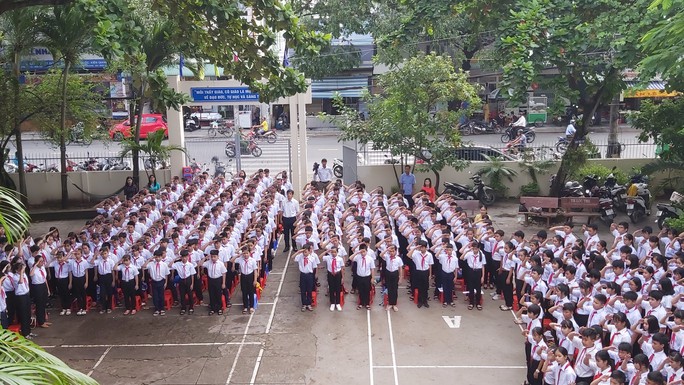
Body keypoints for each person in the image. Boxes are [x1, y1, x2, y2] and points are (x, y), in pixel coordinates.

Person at [233, 246, 259, 314]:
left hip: (250, 276)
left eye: (247, 253)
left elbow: (255, 270)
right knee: (244, 292)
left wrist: (255, 280)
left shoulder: (252, 260)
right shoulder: (240, 259)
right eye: (244, 253)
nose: (245, 255)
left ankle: (251, 306)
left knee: (251, 292)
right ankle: (245, 306)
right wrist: (238, 255)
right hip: (243, 276)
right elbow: (231, 260)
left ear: (249, 253)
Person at [293, 243, 319, 312]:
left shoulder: (312, 258)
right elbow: (293, 257)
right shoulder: (300, 257)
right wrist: (298, 252)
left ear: (309, 251)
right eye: (303, 252)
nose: (304, 253)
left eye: (306, 252)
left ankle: (309, 304)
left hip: (309, 275)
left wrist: (314, 275)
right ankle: (304, 304)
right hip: (303, 275)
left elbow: (314, 267)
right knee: (303, 290)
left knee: (309, 290)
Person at [461, 241, 486, 311]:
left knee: (478, 288)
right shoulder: (469, 254)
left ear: (479, 248)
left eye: (476, 249)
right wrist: (466, 251)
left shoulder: (482, 255)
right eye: (473, 249)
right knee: (471, 288)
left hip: (478, 272)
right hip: (471, 271)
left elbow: (483, 266)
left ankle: (478, 303)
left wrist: (483, 276)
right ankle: (471, 303)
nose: (475, 250)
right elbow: (461, 258)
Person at [203, 249, 227, 315]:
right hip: (211, 280)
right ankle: (213, 308)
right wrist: (205, 258)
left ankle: (219, 308)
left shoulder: (220, 264)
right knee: (211, 294)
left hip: (218, 280)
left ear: (218, 256)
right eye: (212, 257)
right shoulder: (208, 263)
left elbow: (224, 273)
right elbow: (200, 264)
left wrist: (223, 283)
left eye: (214, 257)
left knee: (218, 294)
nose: (213, 258)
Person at [30, 254, 51, 328]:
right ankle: (40, 321)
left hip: (43, 285)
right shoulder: (33, 269)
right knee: (39, 304)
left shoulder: (42, 268)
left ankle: (44, 320)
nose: (42, 262)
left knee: (44, 303)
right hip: (37, 287)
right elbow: (31, 274)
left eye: (42, 261)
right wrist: (35, 265)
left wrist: (47, 289)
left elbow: (44, 279)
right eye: (40, 261)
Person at [322, 247, 344, 311]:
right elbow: (320, 257)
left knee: (338, 289)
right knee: (331, 288)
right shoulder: (328, 257)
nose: (333, 253)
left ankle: (337, 303)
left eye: (335, 252)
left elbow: (342, 268)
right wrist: (327, 251)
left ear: (337, 252)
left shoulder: (340, 259)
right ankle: (332, 303)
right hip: (330, 274)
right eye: (332, 252)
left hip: (338, 274)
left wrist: (342, 277)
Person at [382, 244, 403, 312]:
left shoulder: (398, 259)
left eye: (393, 251)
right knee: (389, 288)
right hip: (388, 273)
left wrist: (400, 277)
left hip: (395, 274)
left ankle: (394, 304)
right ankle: (390, 303)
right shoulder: (387, 257)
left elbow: (400, 269)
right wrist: (387, 249)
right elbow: (381, 255)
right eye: (390, 251)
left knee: (394, 289)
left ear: (396, 251)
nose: (391, 253)